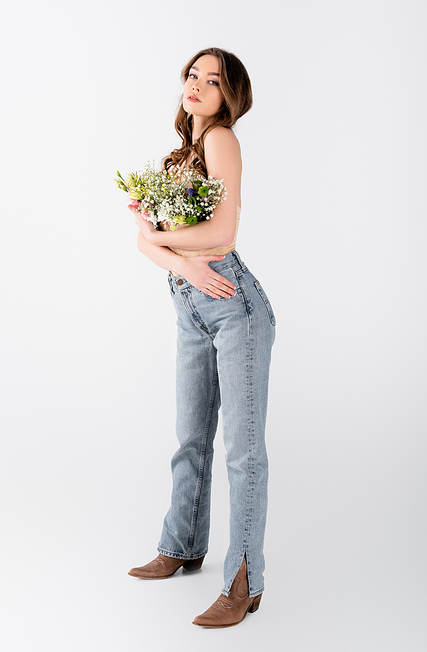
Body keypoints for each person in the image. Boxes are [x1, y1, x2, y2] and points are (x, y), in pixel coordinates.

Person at [127, 48, 276, 628]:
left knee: (241, 451)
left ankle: (244, 580)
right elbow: (143, 243)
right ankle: (183, 545)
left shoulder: (220, 139)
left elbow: (223, 230)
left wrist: (166, 242)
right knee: (190, 435)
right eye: (193, 74)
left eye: (212, 80)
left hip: (234, 305)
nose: (197, 85)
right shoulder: (180, 155)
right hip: (193, 300)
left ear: (227, 97)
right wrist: (182, 264)